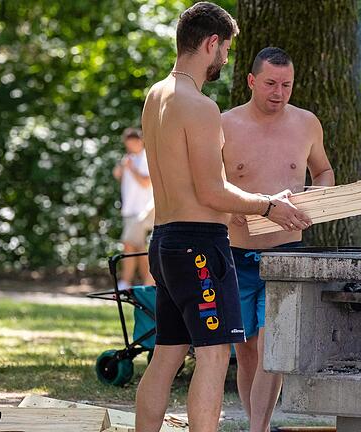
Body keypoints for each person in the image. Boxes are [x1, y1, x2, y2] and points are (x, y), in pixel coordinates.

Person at [134, 4, 312, 432]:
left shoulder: (156, 95)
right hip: (199, 245)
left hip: (165, 241)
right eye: (226, 49)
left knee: (167, 354)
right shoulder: (199, 105)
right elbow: (211, 191)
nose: (226, 60)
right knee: (214, 355)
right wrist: (270, 204)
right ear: (211, 42)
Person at [220, 47, 334, 432]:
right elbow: (207, 186)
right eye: (270, 83)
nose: (279, 92)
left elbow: (324, 171)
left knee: (273, 349)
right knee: (247, 351)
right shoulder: (223, 124)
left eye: (286, 84)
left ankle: (259, 429)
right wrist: (229, 207)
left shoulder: (307, 123)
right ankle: (258, 425)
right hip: (234, 252)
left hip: (287, 254)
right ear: (252, 81)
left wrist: (318, 197)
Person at [112, 127, 155, 291]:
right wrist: (123, 167)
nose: (132, 145)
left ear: (140, 141)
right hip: (129, 210)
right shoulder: (128, 158)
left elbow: (146, 182)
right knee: (139, 248)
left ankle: (125, 282)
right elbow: (117, 175)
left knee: (128, 244)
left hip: (143, 210)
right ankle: (147, 284)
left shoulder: (145, 157)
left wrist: (132, 169)